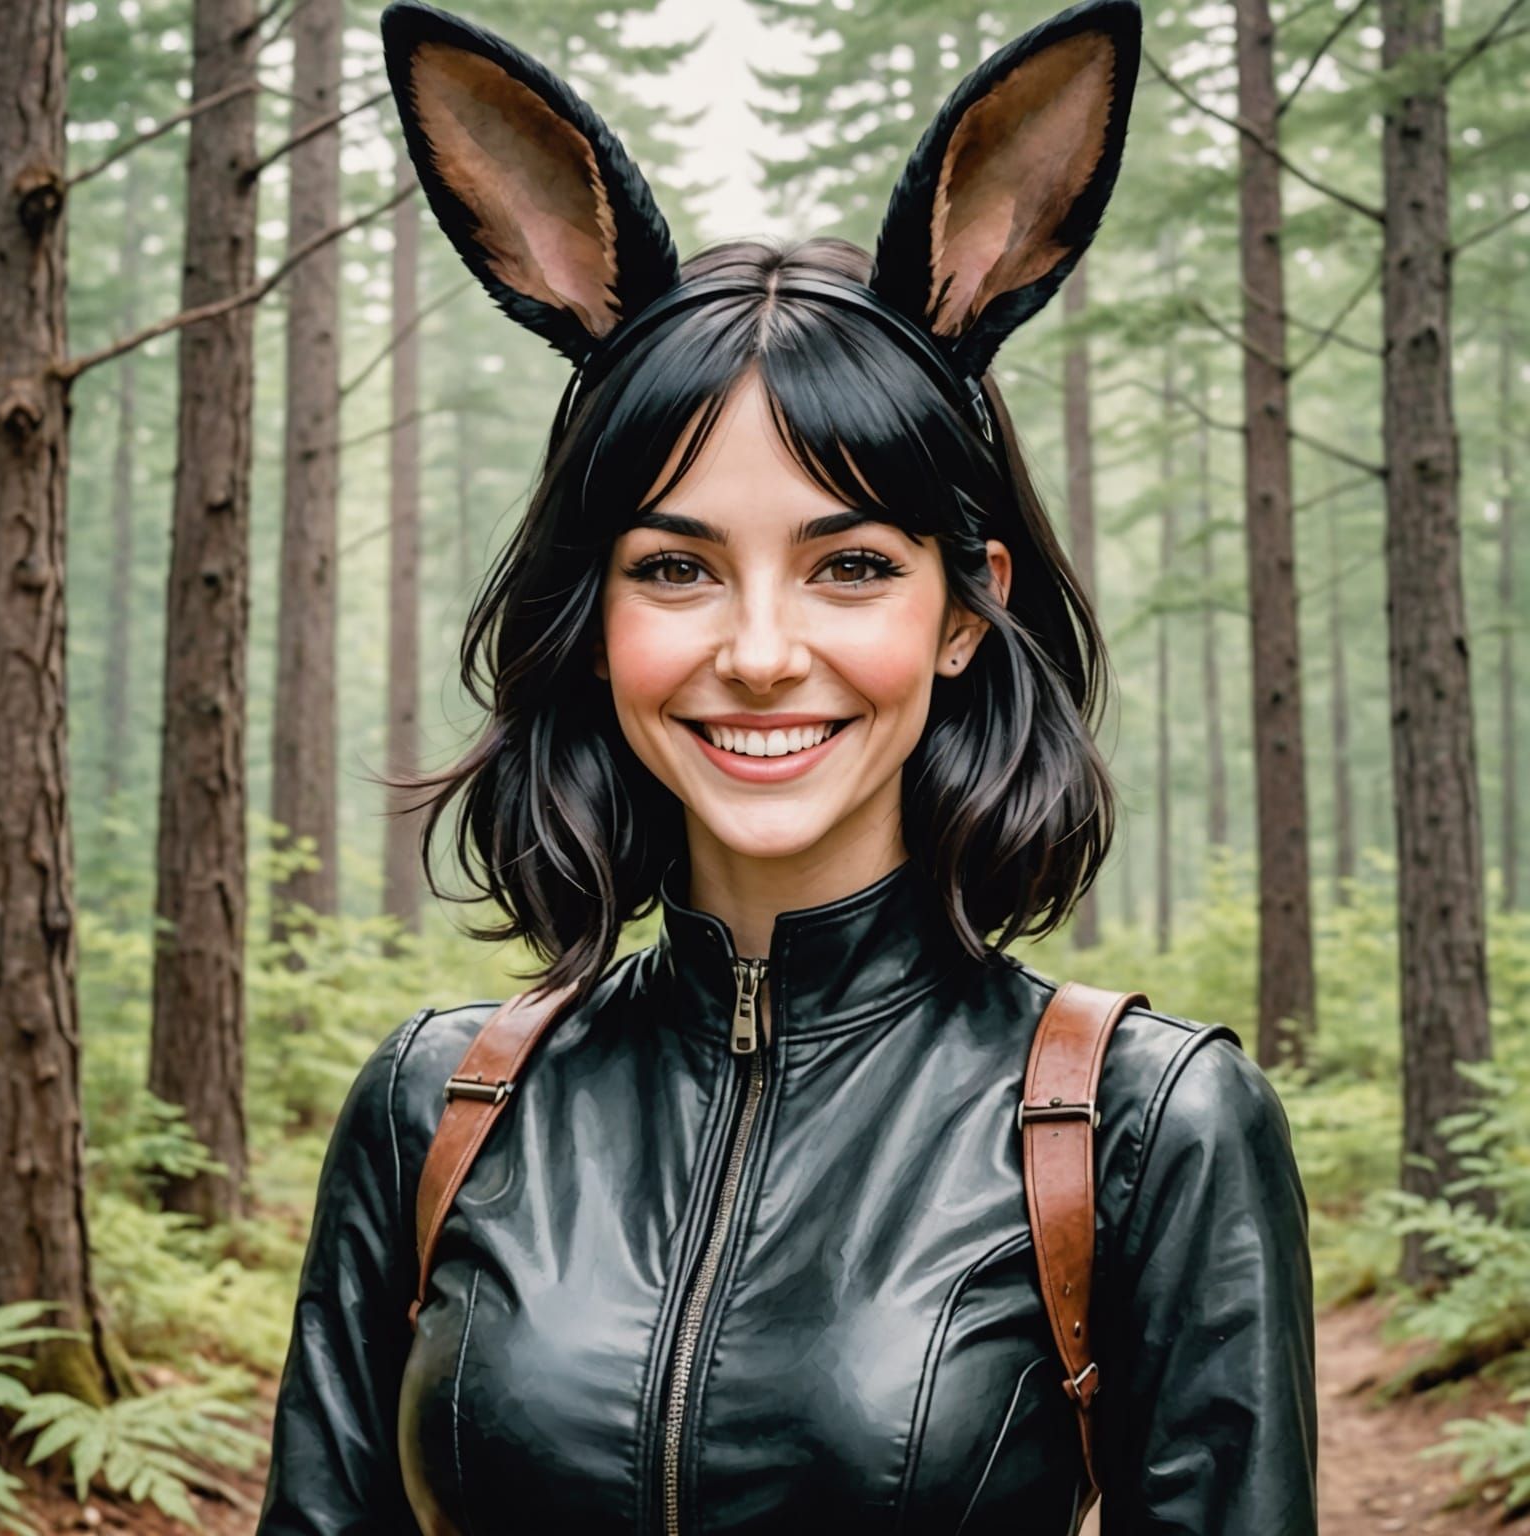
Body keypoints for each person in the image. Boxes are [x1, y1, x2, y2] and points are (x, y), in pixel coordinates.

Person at [255, 0, 1318, 1531]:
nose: (759, 649)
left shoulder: (1150, 1130)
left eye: (851, 567)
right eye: (677, 569)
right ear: (595, 612)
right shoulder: (434, 1110)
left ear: (967, 612)